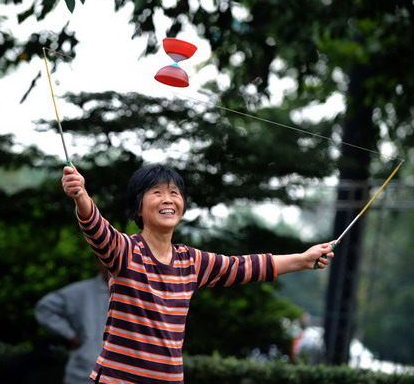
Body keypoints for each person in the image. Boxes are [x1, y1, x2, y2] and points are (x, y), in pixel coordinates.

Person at [61, 163, 334, 384]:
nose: (168, 199)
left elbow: (244, 266)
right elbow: (96, 228)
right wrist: (81, 196)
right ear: (137, 208)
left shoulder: (191, 261)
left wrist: (302, 259)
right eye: (156, 193)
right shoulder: (125, 251)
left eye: (174, 193)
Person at [35, 260, 110, 384]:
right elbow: (45, 309)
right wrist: (70, 335)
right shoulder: (80, 291)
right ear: (99, 261)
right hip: (83, 373)